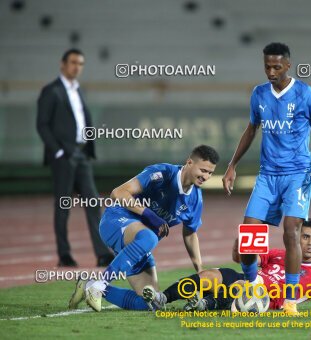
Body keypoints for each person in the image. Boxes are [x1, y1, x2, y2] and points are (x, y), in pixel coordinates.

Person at [221, 42, 311, 315]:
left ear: (288, 65)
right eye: (267, 66)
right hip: (267, 175)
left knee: (291, 231)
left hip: (297, 174)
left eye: (276, 66)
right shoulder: (259, 94)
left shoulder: (305, 94)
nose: (271, 71)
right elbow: (251, 129)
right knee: (249, 233)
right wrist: (232, 165)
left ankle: (289, 300)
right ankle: (252, 287)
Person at [68, 145, 219, 312]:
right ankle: (100, 284)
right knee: (149, 238)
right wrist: (149, 215)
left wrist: (200, 272)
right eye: (203, 170)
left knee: (152, 302)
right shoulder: (162, 173)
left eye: (210, 173)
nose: (206, 176)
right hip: (116, 221)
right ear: (189, 162)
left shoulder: (195, 200)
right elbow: (117, 193)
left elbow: (190, 234)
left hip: (139, 244)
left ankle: (89, 285)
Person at [143, 218, 311, 312]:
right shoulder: (279, 254)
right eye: (305, 237)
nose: (310, 243)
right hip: (249, 280)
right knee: (212, 275)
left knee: (240, 287)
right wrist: (241, 248)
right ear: (296, 238)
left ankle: (205, 304)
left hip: (262, 298)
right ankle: (163, 298)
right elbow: (249, 260)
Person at [36, 48, 113, 267]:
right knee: (63, 206)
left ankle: (102, 253)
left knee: (93, 203)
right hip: (63, 156)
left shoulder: (79, 90)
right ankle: (64, 254)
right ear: (62, 64)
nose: (76, 67)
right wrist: (58, 151)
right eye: (73, 62)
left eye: (80, 63)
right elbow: (42, 124)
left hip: (81, 155)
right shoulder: (51, 91)